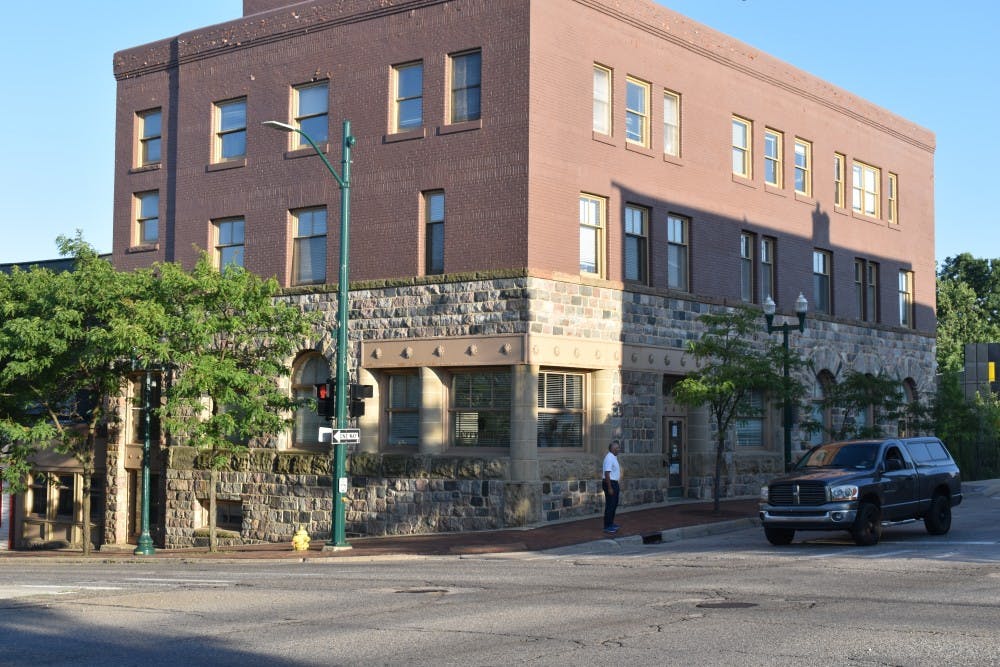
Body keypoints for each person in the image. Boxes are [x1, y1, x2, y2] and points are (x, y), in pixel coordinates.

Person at [602, 439, 621, 533]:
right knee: (610, 505)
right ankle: (607, 526)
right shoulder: (609, 457)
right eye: (617, 448)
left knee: (614, 504)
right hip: (610, 483)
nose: (619, 449)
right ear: (613, 449)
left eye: (618, 447)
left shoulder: (613, 457)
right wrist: (610, 487)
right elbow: (607, 474)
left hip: (614, 483)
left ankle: (611, 523)